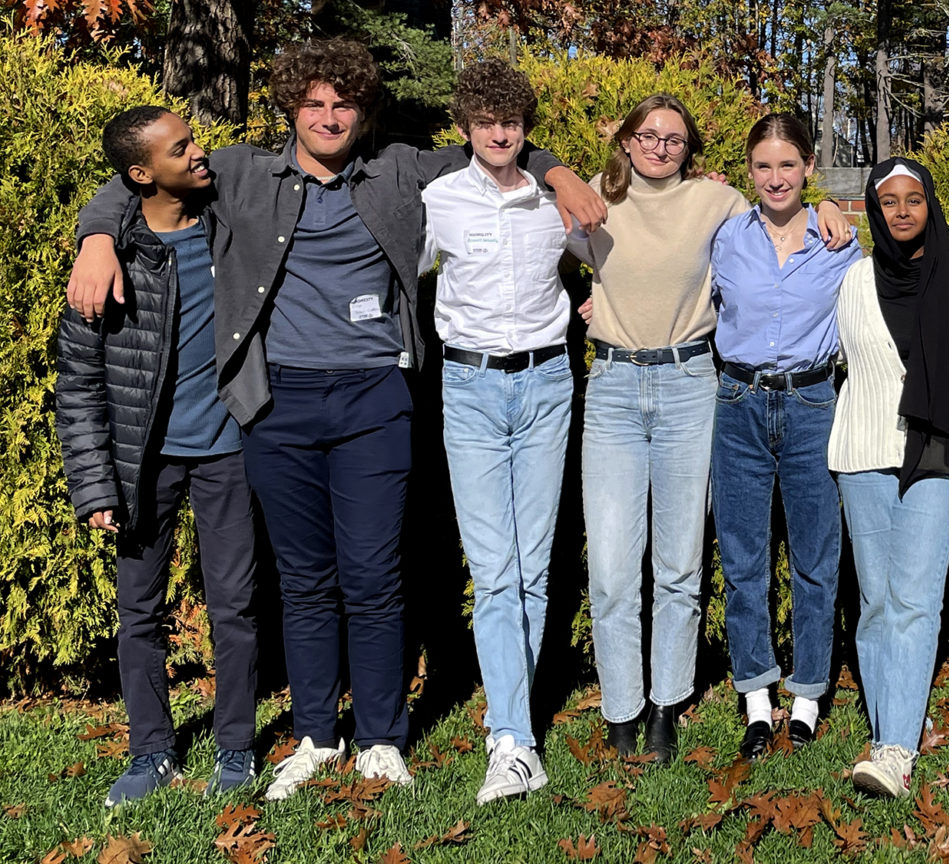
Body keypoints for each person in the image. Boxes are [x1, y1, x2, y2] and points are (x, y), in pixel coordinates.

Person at [67, 38, 605, 801]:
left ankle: (382, 738)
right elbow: (142, 177)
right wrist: (95, 235)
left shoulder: (399, 170)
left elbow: (498, 143)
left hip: (373, 403)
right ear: (292, 109)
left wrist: (559, 169)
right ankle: (317, 734)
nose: (328, 116)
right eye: (313, 103)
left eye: (343, 103)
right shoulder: (245, 173)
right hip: (276, 405)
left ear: (363, 110)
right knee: (304, 580)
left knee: (374, 576)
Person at [570, 94, 850, 764]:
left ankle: (691, 702)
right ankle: (635, 707)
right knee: (623, 568)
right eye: (647, 133)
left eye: (673, 136)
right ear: (627, 139)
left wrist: (836, 203)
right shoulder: (612, 206)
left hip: (729, 390)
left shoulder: (735, 213)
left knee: (698, 563)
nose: (659, 146)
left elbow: (849, 258)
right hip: (650, 390)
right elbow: (555, 249)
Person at [56, 106, 260, 806]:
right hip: (144, 464)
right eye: (182, 148)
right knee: (138, 612)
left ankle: (236, 747)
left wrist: (94, 228)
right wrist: (95, 485)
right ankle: (152, 753)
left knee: (234, 606)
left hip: (229, 450)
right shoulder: (111, 260)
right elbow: (78, 383)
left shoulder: (227, 221)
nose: (200, 153)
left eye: (195, 138)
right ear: (143, 173)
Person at [419, 60, 573, 804]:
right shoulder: (439, 200)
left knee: (533, 567)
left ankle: (516, 732)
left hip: (547, 383)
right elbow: (397, 272)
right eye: (485, 123)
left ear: (526, 126)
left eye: (510, 122)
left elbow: (610, 261)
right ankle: (512, 737)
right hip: (471, 386)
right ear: (465, 129)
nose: (500, 134)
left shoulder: (556, 202)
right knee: (494, 566)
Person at [830, 157, 949, 798]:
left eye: (914, 199)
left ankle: (894, 748)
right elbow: (847, 358)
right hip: (864, 451)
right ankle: (892, 721)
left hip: (942, 452)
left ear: (931, 205)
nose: (902, 211)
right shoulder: (855, 281)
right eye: (889, 201)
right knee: (876, 603)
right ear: (874, 209)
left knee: (917, 598)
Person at [708, 113, 862, 761]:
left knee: (815, 559)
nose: (776, 178)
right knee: (743, 561)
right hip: (738, 403)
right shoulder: (724, 237)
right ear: (750, 170)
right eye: (763, 166)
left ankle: (804, 697)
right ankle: (755, 699)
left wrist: (833, 207)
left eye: (788, 166)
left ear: (808, 169)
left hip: (811, 404)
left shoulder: (840, 244)